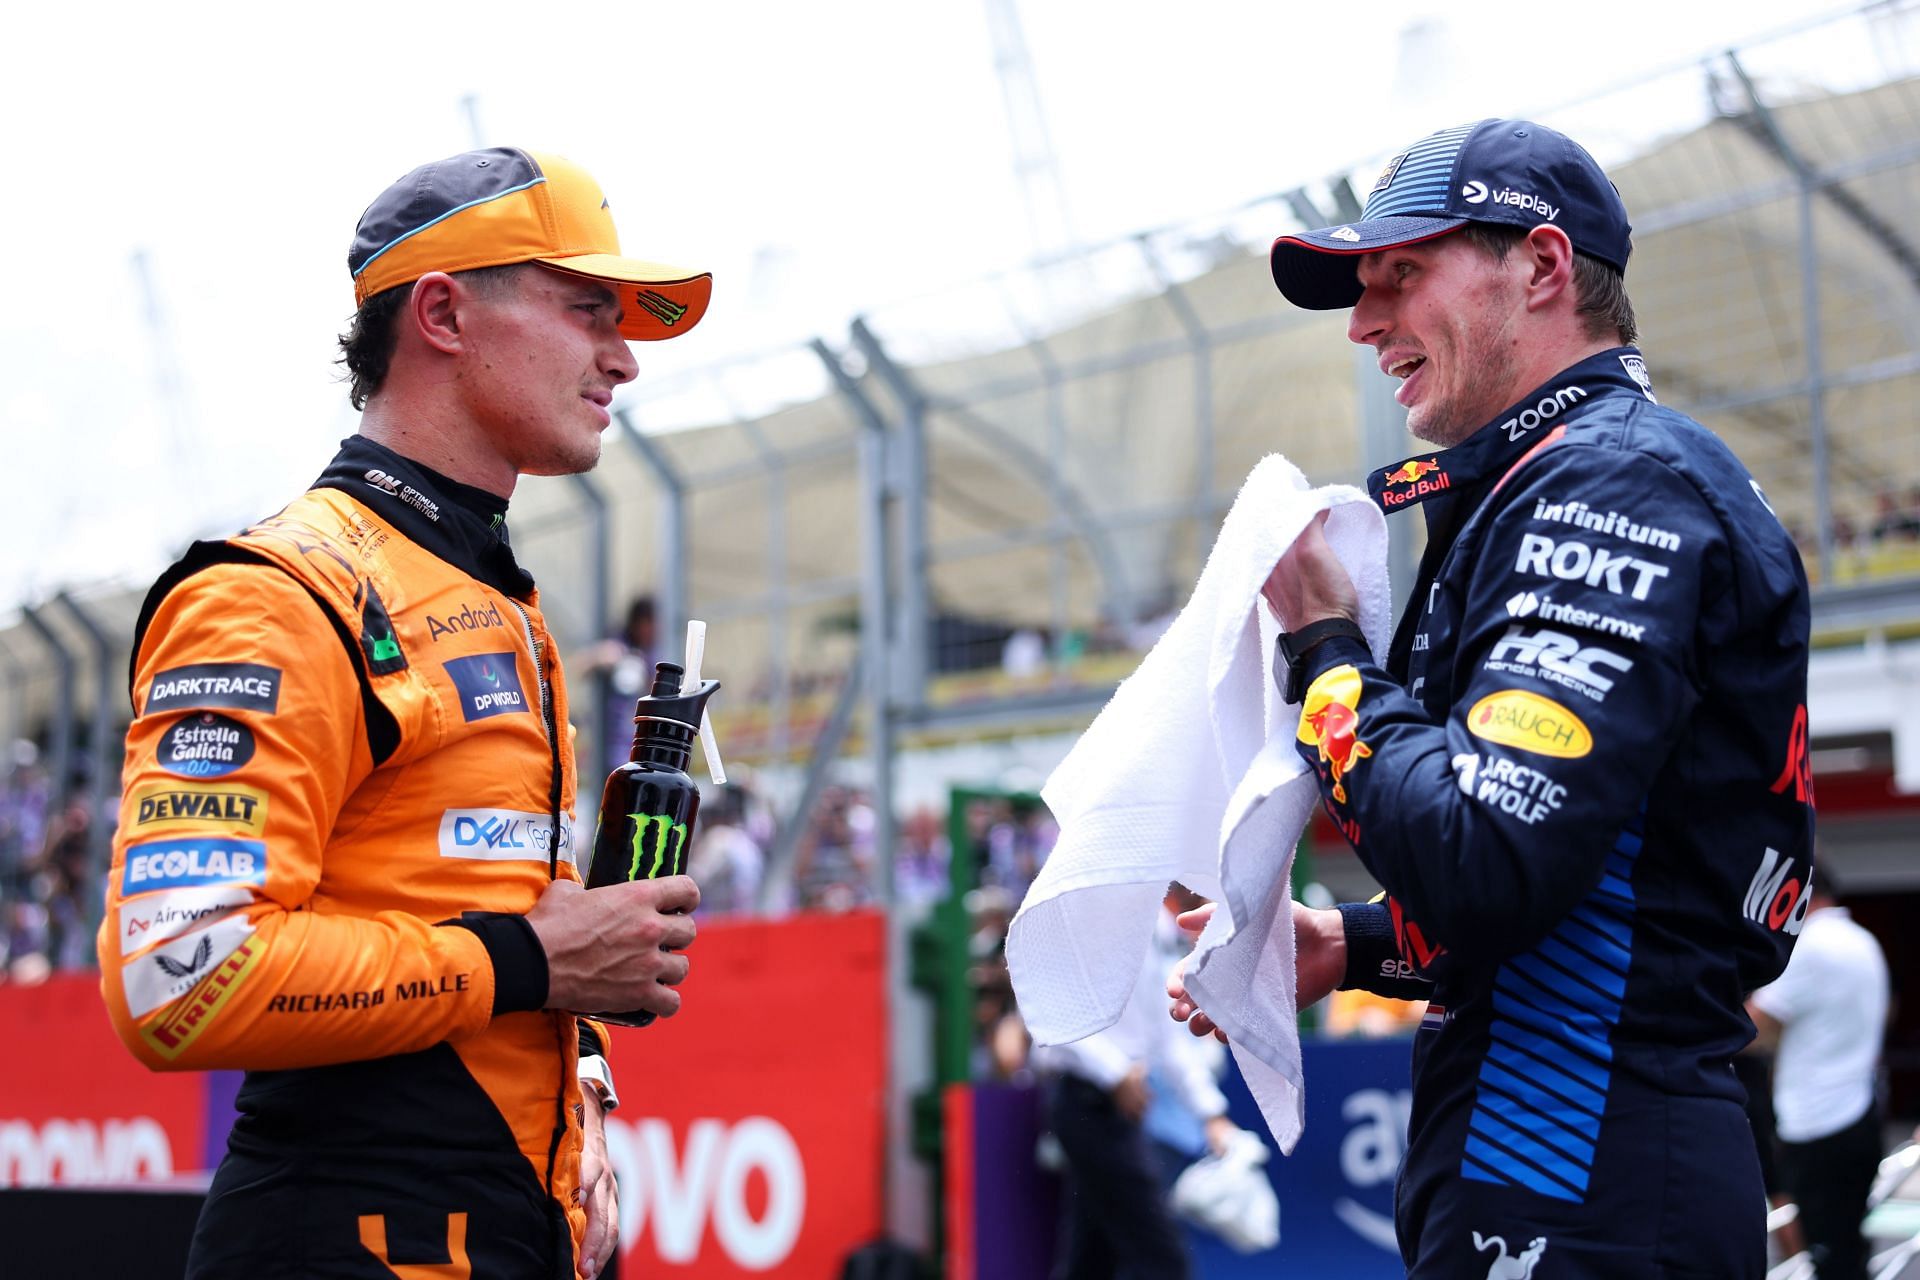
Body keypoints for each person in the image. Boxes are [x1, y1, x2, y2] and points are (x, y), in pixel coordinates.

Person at [1169, 118, 1814, 1276]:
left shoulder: (1607, 480)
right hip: (1572, 1165)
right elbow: (1605, 889)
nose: (1365, 324)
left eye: (1402, 276)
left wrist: (1323, 649)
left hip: (1579, 1168)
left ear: (1545, 268)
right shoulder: (1573, 478)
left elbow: (1486, 855)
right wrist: (1354, 943)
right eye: (1362, 290)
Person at [96, 147, 714, 1279]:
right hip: (341, 1236)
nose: (622, 356)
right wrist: (527, 960)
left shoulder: (497, 599)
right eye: (588, 309)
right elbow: (178, 974)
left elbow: (482, 905)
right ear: (442, 312)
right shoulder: (275, 592)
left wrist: (582, 1092)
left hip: (509, 1226)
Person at [1036, 889, 1249, 1280]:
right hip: (1088, 1102)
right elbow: (1044, 1014)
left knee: (1092, 1258)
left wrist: (1211, 1113)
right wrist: (1114, 1072)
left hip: (1118, 1105)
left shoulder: (1156, 920)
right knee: (1161, 1257)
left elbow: (1167, 1034)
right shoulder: (1065, 907)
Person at [1748, 874, 1890, 1280]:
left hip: (1817, 1123)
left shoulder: (1810, 947)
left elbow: (1751, 1028)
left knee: (1829, 1257)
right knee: (1849, 1252)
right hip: (1859, 1114)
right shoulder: (1864, 941)